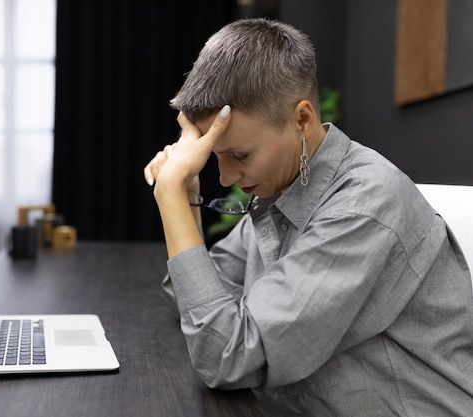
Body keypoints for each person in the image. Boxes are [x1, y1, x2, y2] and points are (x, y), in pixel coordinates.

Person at [143, 17, 473, 416]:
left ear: (302, 120)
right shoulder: (284, 185)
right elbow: (199, 306)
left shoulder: (363, 205)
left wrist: (170, 197)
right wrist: (189, 199)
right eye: (216, 157)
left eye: (240, 155)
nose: (225, 177)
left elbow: (225, 357)